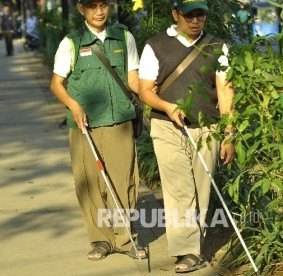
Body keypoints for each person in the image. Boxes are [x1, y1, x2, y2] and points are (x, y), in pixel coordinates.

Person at [138, 0, 235, 273]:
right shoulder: (155, 45)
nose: (195, 20)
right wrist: (168, 107)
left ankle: (194, 244)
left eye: (200, 15)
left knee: (201, 187)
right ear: (175, 14)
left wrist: (229, 134)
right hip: (166, 126)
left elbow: (225, 90)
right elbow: (146, 90)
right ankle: (188, 251)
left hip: (207, 127)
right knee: (178, 187)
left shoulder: (218, 46)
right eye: (189, 15)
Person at [50, 0, 147, 262]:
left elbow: (133, 79)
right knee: (90, 184)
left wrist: (156, 99)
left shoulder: (123, 37)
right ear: (81, 9)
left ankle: (126, 239)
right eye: (92, 6)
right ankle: (101, 240)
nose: (99, 11)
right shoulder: (71, 42)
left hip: (119, 122)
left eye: (103, 4)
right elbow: (57, 84)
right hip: (85, 126)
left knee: (124, 181)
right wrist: (73, 105)